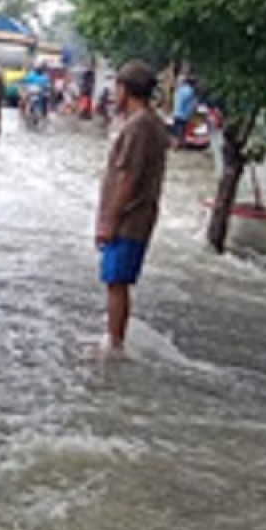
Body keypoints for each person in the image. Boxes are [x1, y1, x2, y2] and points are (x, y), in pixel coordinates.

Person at [95, 60, 169, 354]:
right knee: (117, 281)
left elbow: (127, 177)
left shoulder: (139, 126)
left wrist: (109, 220)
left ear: (125, 89)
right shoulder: (150, 123)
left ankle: (114, 344)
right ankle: (114, 339)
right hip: (137, 214)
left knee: (117, 281)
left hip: (129, 217)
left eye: (117, 88)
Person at [171, 74, 198, 146]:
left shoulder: (181, 90)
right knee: (181, 129)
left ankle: (178, 143)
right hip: (183, 114)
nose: (177, 82)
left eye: (178, 81)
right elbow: (193, 103)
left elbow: (179, 103)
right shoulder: (188, 90)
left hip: (179, 113)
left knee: (179, 129)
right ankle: (181, 143)